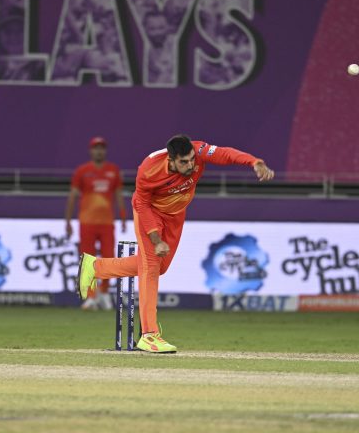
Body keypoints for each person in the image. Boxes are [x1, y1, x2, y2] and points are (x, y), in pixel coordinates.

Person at [77, 135, 274, 352]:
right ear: (171, 160)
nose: (191, 165)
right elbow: (142, 205)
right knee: (151, 265)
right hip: (150, 212)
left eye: (191, 160)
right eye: (184, 162)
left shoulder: (198, 152)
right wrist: (156, 239)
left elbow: (225, 153)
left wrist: (254, 161)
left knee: (159, 267)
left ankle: (95, 267)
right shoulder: (149, 169)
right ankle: (149, 335)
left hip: (176, 214)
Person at [66, 137, 127, 310]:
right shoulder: (82, 171)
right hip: (87, 222)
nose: (99, 151)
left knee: (108, 258)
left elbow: (118, 196)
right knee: (88, 259)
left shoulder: (113, 171)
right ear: (91, 151)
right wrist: (68, 221)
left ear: (105, 151)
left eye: (102, 148)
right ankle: (91, 296)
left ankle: (105, 293)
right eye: (96, 148)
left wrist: (123, 217)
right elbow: (73, 196)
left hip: (107, 223)